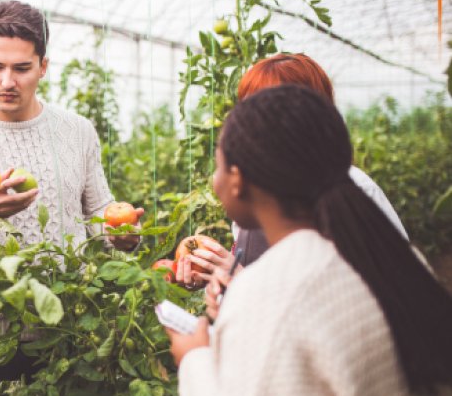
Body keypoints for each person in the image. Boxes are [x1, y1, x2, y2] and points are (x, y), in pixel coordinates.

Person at [165, 85, 452, 396]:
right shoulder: (395, 257)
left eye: (218, 165)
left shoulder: (268, 290)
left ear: (238, 180)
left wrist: (193, 358)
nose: (213, 180)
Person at [0, 0, 142, 391]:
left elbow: (98, 209)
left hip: (69, 323)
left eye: (22, 68)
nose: (8, 81)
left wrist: (120, 233)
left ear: (43, 66)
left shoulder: (76, 131)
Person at [174, 53, 418, 305]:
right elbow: (246, 270)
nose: (251, 122)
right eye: (247, 107)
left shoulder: (357, 189)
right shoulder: (254, 191)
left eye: (269, 108)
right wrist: (215, 281)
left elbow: (384, 301)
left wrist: (244, 283)